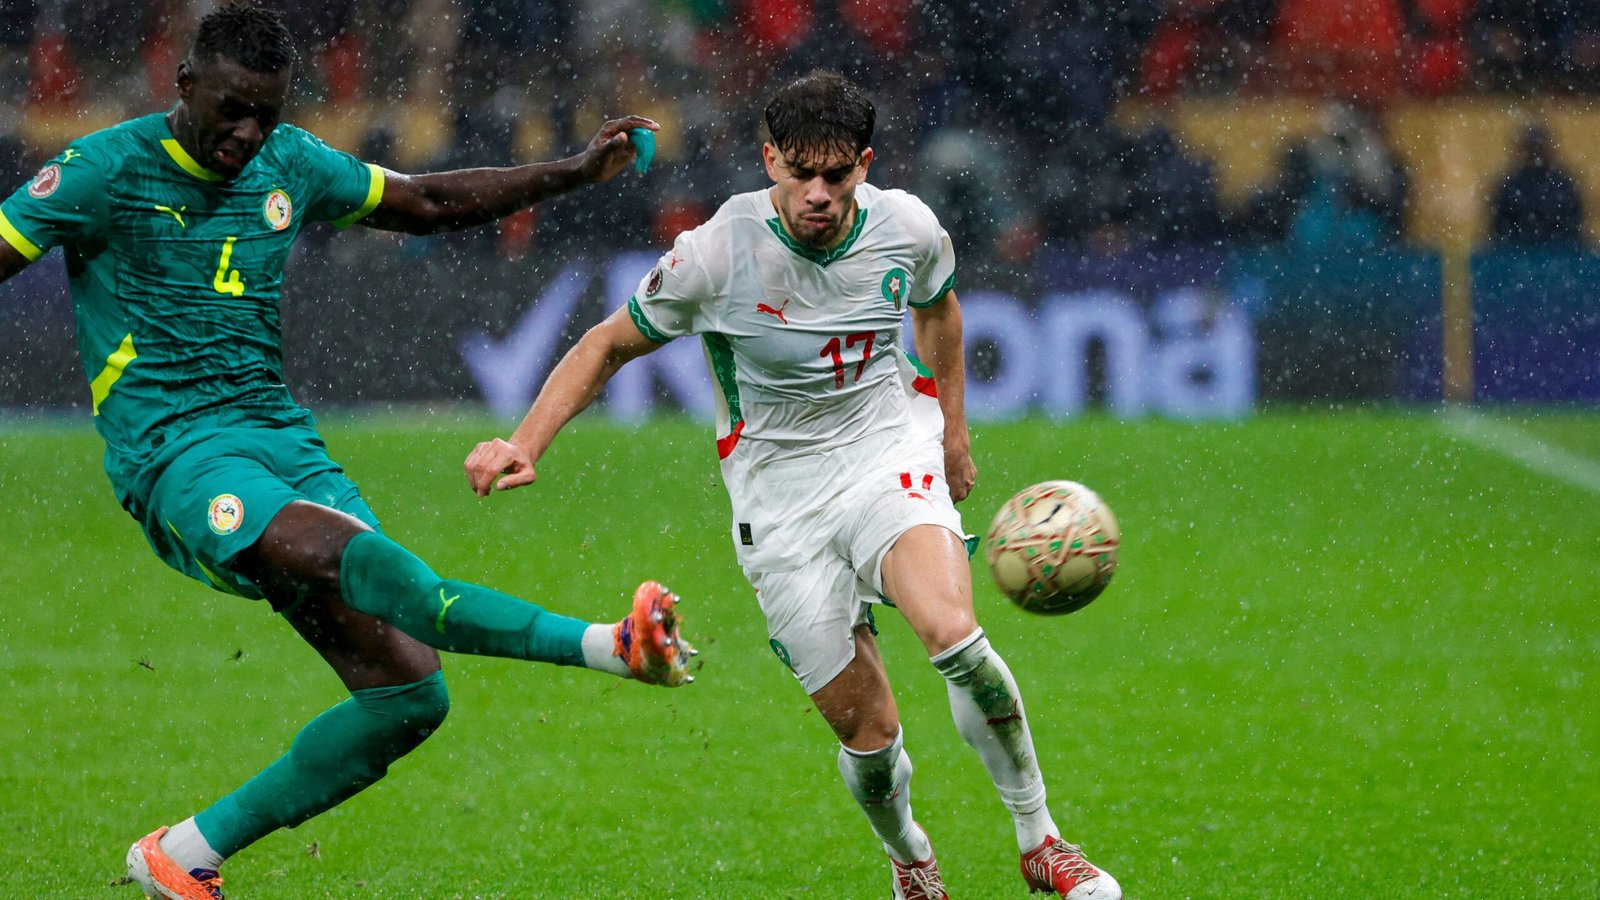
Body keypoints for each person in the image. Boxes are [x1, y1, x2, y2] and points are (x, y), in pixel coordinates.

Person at [0, 6, 694, 898]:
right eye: (232, 109)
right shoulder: (101, 170)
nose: (248, 134)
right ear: (186, 87)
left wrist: (572, 171)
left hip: (283, 443)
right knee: (361, 560)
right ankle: (612, 643)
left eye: (268, 113)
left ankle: (184, 855)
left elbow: (428, 201)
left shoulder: (289, 161)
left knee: (408, 695)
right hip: (179, 459)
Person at [465, 70, 1122, 900]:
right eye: (800, 173)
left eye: (838, 175)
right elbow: (605, 344)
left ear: (865, 164)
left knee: (954, 634)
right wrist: (527, 442)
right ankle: (912, 860)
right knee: (871, 734)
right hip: (778, 498)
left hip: (886, 448)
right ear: (768, 158)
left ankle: (1041, 842)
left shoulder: (907, 226)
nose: (818, 194)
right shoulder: (716, 252)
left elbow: (940, 312)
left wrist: (952, 431)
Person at [1489, 125, 1586, 248]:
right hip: (1520, 249)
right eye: (1531, 148)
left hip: (1555, 249)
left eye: (1538, 148)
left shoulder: (1560, 184)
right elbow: (1499, 223)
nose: (1535, 152)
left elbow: (1573, 220)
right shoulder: (1511, 185)